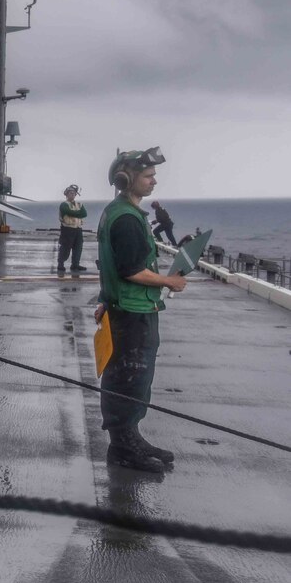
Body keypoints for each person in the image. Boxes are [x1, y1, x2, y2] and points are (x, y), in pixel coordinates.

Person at [96, 147, 184, 473]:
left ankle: (130, 436)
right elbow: (130, 270)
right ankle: (122, 448)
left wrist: (105, 299)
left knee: (132, 377)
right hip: (133, 311)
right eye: (148, 176)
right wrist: (169, 281)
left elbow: (108, 264)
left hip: (128, 307)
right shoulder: (127, 220)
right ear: (127, 178)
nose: (153, 182)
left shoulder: (118, 211)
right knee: (130, 377)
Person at [56, 184, 88, 273]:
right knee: (65, 247)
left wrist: (75, 213)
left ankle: (75, 264)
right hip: (67, 229)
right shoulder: (63, 204)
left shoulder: (79, 204)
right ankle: (60, 264)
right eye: (70, 193)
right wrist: (77, 213)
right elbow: (68, 212)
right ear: (66, 194)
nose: (72, 195)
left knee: (78, 247)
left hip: (78, 229)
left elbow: (84, 214)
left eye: (74, 193)